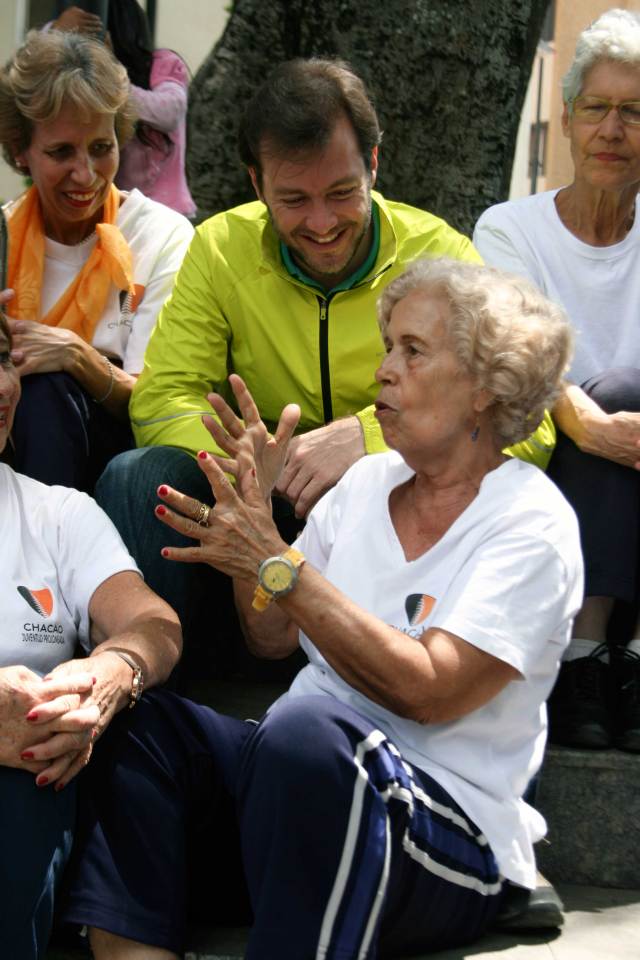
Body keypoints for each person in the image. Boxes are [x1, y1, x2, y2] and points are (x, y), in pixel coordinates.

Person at [62, 259, 582, 959]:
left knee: (307, 732)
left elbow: (427, 691)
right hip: (298, 785)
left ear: (487, 387)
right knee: (140, 721)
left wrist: (281, 564)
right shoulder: (367, 482)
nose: (385, 369)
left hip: (445, 832)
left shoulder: (531, 521)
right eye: (389, 345)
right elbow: (272, 636)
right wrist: (256, 540)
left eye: (413, 350)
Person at [96, 56, 555, 677]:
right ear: (255, 184)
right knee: (139, 477)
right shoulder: (219, 247)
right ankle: (167, 692)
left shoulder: (441, 255)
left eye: (341, 193)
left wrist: (370, 441)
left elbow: (532, 426)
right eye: (293, 199)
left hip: (391, 501)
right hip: (256, 490)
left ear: (373, 162)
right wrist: (253, 459)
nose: (321, 223)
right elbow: (162, 398)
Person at [474, 7, 640, 753]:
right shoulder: (510, 230)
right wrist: (591, 422)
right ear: (567, 121)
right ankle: (587, 654)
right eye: (599, 109)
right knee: (614, 394)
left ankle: (623, 662)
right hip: (553, 461)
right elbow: (521, 359)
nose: (614, 129)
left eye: (635, 112)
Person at [0, 303, 182, 959]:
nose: (0, 388)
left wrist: (110, 674)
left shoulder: (56, 513)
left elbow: (151, 623)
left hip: (28, 792)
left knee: (39, 758)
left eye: (1, 359)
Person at [0, 28, 193, 492]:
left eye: (101, 148)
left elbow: (157, 400)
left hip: (117, 458)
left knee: (45, 391)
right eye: (61, 151)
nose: (85, 174)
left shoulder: (162, 235)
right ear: (21, 153)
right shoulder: (1, 235)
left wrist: (73, 354)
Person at [53, 1, 197, 218]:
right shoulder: (83, 81)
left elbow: (169, 112)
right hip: (115, 209)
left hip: (166, 210)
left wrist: (111, 73)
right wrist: (53, 34)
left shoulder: (163, 63)